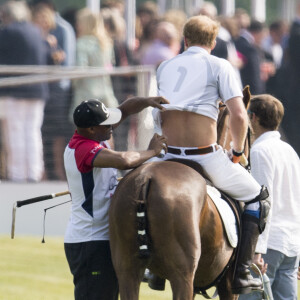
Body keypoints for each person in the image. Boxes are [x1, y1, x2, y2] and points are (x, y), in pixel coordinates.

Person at [151, 15, 270, 295]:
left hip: (166, 155)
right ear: (214, 42)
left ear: (185, 40)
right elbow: (239, 116)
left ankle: (152, 267)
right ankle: (242, 270)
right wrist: (238, 152)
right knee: (259, 198)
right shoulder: (219, 65)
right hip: (204, 156)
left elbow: (157, 112)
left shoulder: (165, 66)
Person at [64, 96, 168, 300]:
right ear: (92, 129)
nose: (112, 126)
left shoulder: (95, 133)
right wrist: (152, 151)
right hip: (90, 242)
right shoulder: (82, 149)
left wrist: (147, 101)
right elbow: (124, 160)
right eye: (106, 124)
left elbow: (125, 109)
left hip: (103, 239)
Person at [239, 95, 300, 300]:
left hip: (269, 245)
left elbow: (262, 202)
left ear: (253, 117)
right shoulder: (290, 151)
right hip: (291, 245)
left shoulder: (260, 150)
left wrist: (256, 249)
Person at [0, 0, 49, 182]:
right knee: (33, 132)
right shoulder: (35, 31)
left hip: (14, 91)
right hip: (37, 90)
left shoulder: (8, 32)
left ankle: (17, 173)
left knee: (15, 132)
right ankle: (34, 172)